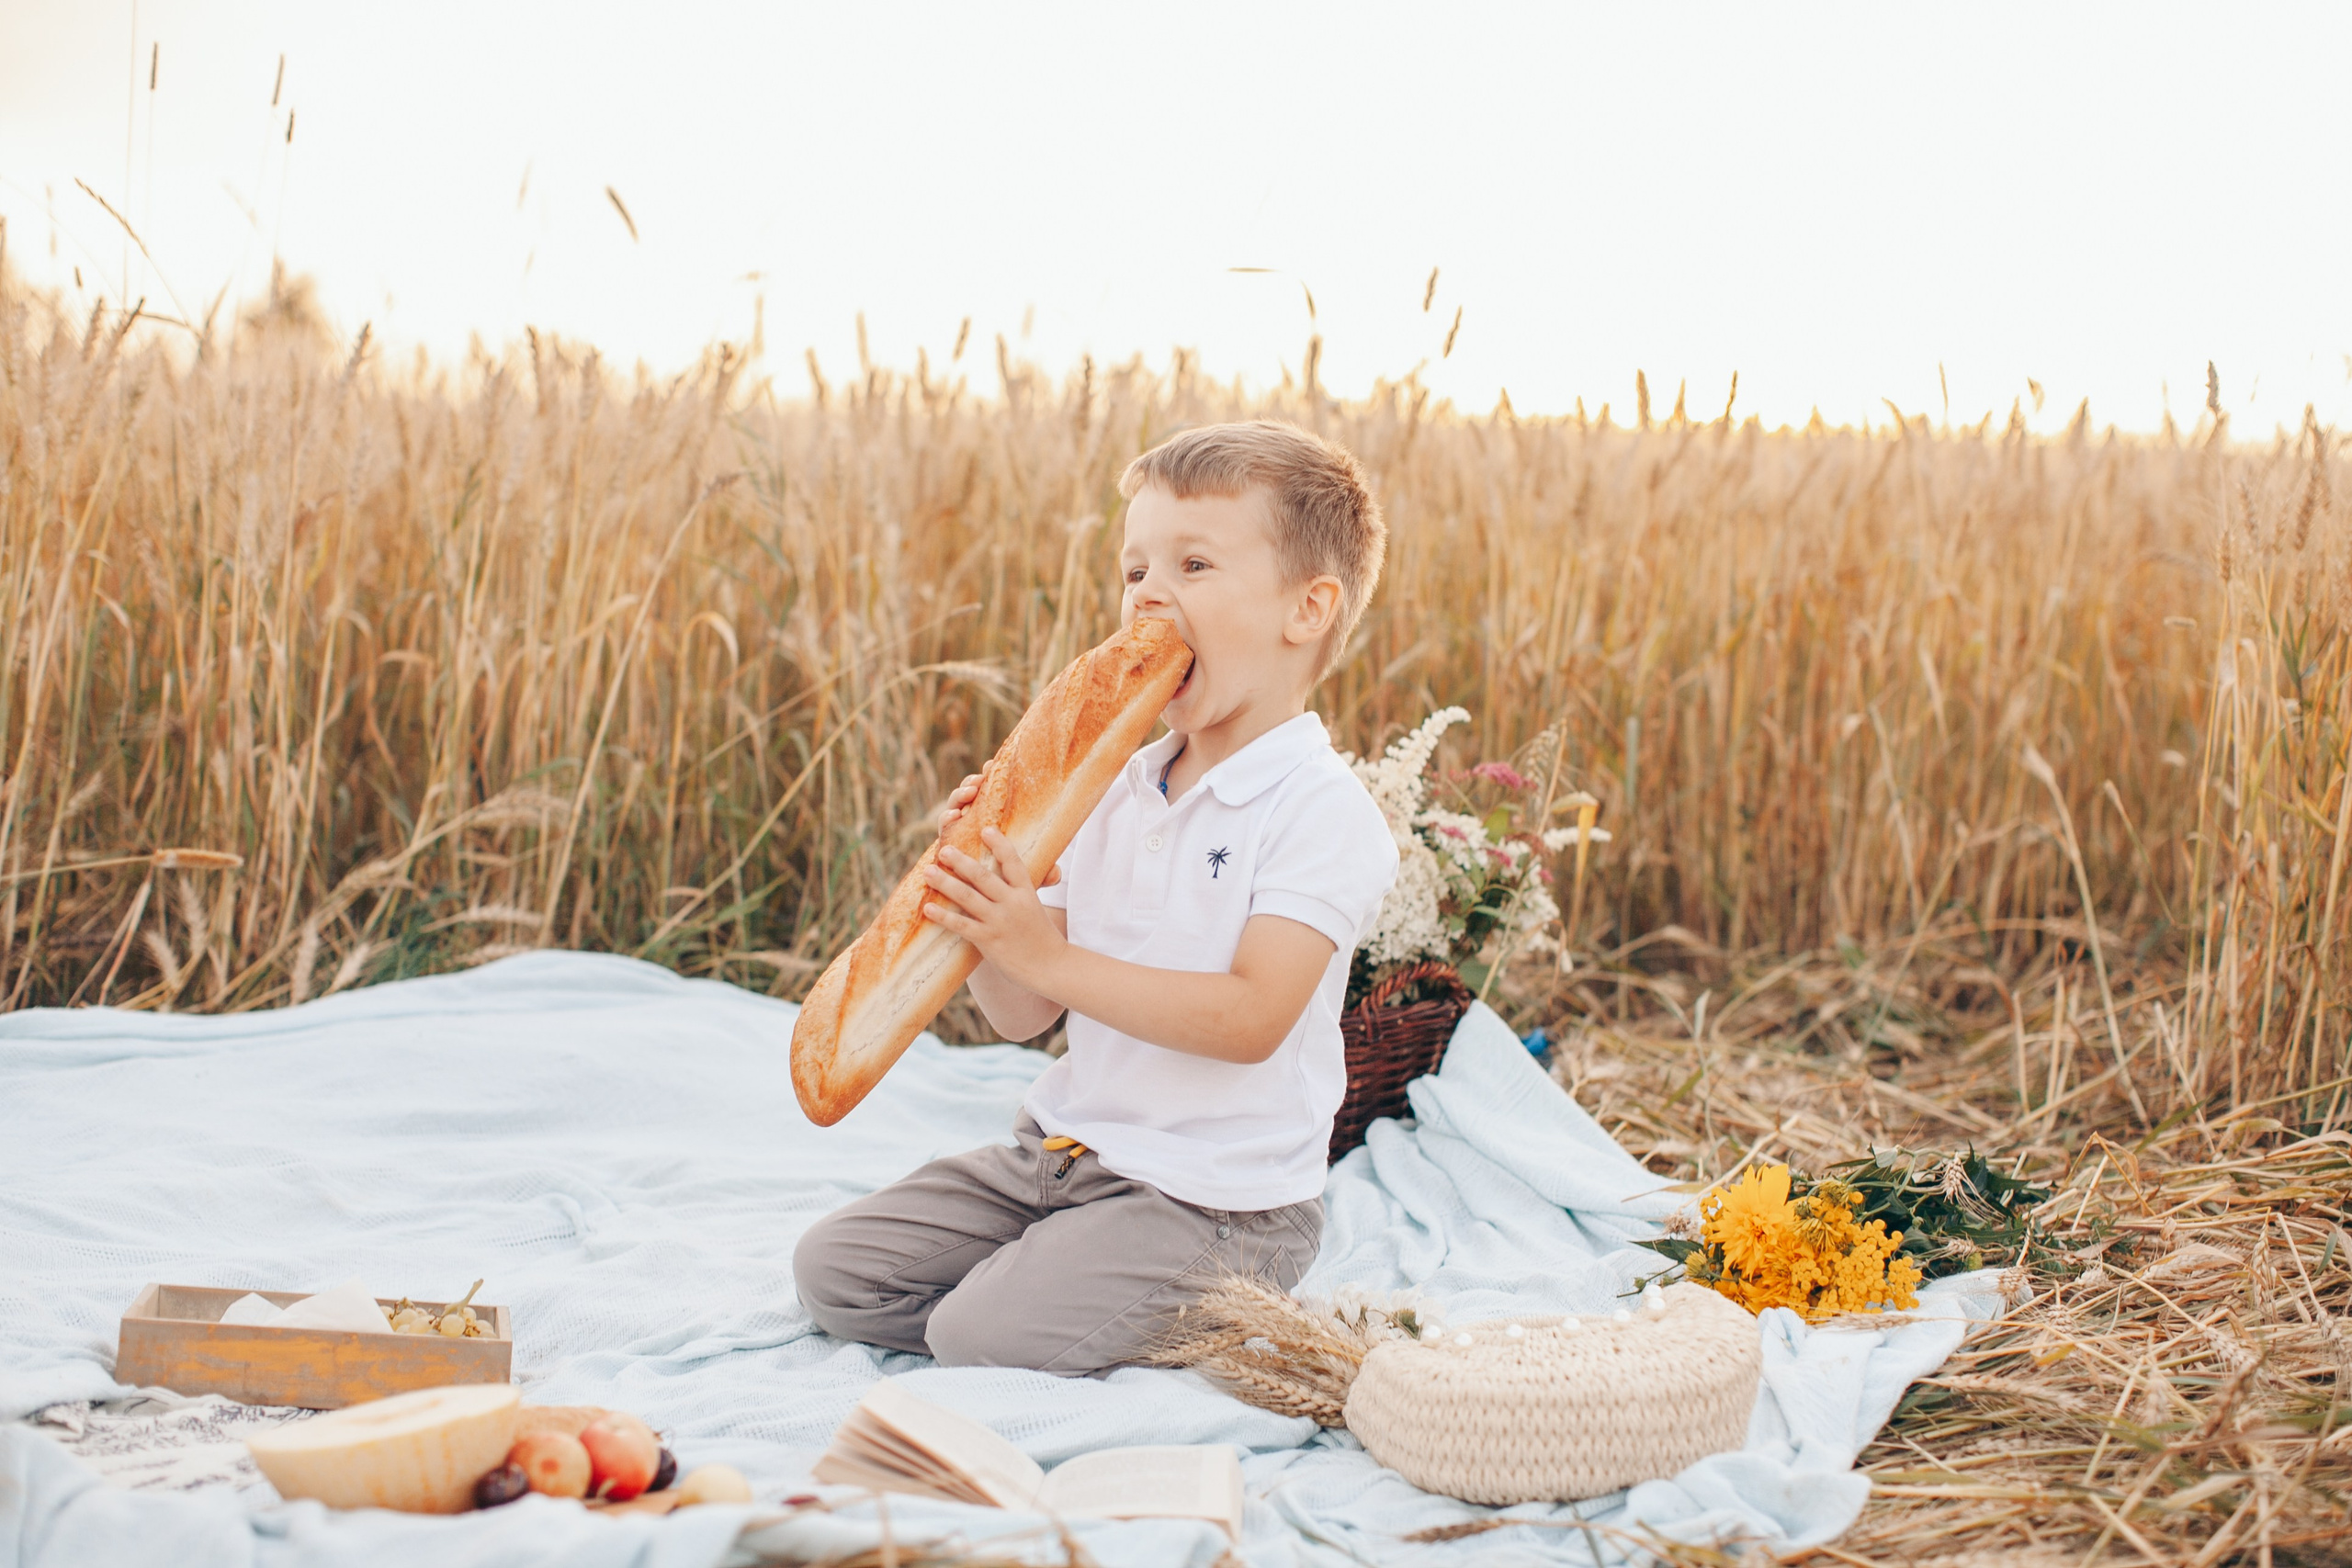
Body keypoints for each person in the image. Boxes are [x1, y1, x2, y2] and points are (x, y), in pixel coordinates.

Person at [793, 420, 1399, 1373]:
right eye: (1135, 571)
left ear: (1307, 608)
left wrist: (1049, 954)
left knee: (972, 1336)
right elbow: (1021, 1013)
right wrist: (994, 897)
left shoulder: (1322, 810)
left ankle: (1198, 1300)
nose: (1150, 594)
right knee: (836, 1274)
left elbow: (1250, 1019)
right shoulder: (1109, 783)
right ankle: (1072, 1284)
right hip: (1064, 1157)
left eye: (1194, 565)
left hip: (1217, 1201)